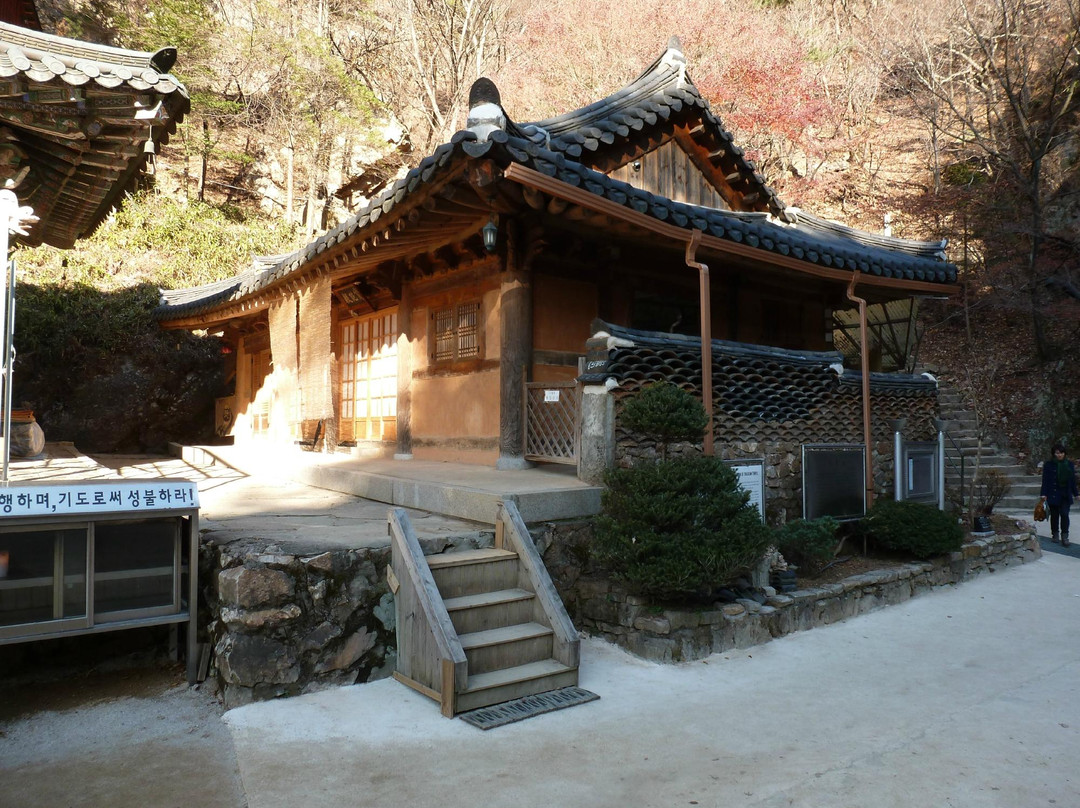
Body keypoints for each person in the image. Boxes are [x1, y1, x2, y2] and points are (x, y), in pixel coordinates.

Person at [1041, 443, 1079, 547]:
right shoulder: (1049, 465)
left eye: (1061, 453)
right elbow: (1045, 480)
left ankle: (1065, 536)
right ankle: (1055, 534)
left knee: (1065, 515)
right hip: (1053, 493)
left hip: (1065, 494)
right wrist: (1043, 493)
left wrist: (1076, 494)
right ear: (1054, 454)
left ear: (1064, 453)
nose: (1059, 455)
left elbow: (1072, 481)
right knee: (1054, 516)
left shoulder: (1069, 464)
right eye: (1057, 453)